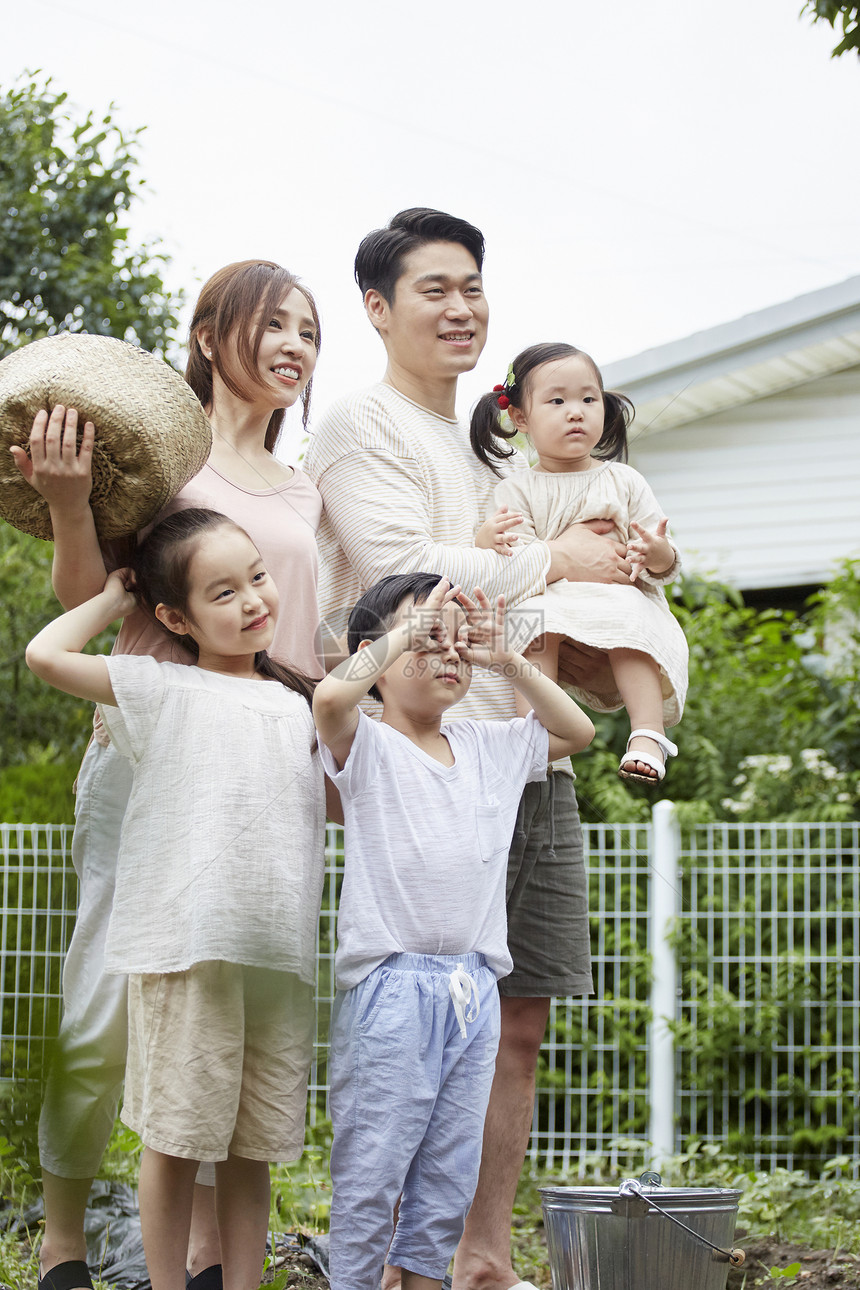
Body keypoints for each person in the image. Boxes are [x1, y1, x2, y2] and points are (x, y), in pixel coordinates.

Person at [304, 208, 633, 1290]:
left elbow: (562, 578)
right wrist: (550, 559)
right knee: (415, 1039)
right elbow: (403, 563)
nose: (460, 307)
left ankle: (476, 1255)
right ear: (377, 309)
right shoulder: (362, 422)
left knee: (515, 1022)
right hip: (424, 760)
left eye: (471, 287)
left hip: (524, 754)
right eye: (433, 289)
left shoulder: (482, 445)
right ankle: (395, 1258)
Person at [10, 259, 324, 1290]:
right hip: (144, 756)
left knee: (222, 1022)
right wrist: (68, 503)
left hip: (254, 768)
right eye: (270, 324)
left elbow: (303, 644)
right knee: (107, 1006)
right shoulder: (159, 462)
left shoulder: (300, 486)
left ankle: (198, 1260)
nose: (291, 346)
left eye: (307, 332)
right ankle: (61, 1241)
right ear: (206, 336)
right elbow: (91, 596)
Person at [312, 572, 595, 1290]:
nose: (449, 652)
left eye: (458, 642)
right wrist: (411, 628)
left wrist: (507, 658)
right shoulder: (365, 746)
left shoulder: (489, 745)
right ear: (376, 652)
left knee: (450, 1165)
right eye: (428, 638)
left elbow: (578, 731)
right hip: (390, 991)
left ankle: (425, 1279)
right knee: (374, 1163)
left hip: (474, 987)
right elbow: (330, 696)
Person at [472, 342, 689, 784]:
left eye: (589, 399)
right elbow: (514, 563)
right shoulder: (516, 489)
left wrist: (656, 553)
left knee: (630, 621)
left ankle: (648, 732)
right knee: (531, 620)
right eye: (557, 400)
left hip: (617, 595)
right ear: (519, 417)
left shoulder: (623, 479)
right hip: (548, 598)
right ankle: (533, 734)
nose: (576, 411)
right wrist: (485, 540)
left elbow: (662, 559)